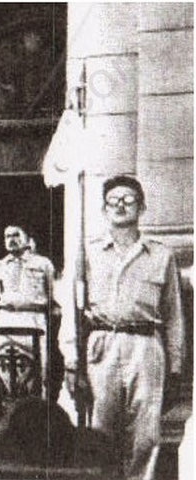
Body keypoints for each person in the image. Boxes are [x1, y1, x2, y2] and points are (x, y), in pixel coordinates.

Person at [61, 175, 185, 480]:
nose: (120, 205)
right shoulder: (87, 253)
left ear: (141, 208)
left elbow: (173, 314)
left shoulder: (161, 255)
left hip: (146, 348)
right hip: (103, 345)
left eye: (128, 199)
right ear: (104, 209)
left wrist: (175, 364)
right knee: (100, 434)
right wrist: (72, 360)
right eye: (112, 200)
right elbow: (73, 309)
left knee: (145, 438)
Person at [0, 226, 56, 401]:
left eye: (16, 235)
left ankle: (37, 411)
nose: (11, 239)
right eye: (7, 236)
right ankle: (8, 412)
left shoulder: (42, 264)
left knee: (37, 368)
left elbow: (53, 295)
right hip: (6, 320)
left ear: (27, 238)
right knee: (5, 366)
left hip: (33, 319)